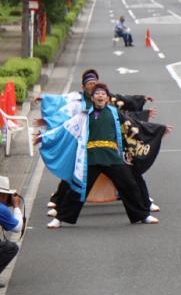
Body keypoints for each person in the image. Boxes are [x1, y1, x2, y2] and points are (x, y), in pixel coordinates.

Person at [45, 83, 158, 229]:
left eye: (103, 93)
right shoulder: (84, 115)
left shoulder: (115, 112)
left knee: (129, 184)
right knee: (78, 189)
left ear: (107, 98)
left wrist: (157, 129)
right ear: (92, 98)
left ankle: (142, 215)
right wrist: (45, 136)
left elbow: (132, 124)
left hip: (112, 156)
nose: (100, 95)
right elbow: (65, 128)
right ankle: (60, 218)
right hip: (91, 158)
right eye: (97, 93)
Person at [0, 176, 24, 286]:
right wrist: (16, 206)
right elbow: (17, 227)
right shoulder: (1, 209)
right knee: (10, 248)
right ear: (3, 194)